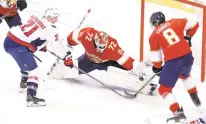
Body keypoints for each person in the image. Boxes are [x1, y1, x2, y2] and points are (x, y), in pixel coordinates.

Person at [49, 26, 158, 95]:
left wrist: (138, 71)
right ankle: (56, 71)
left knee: (119, 74)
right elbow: (67, 42)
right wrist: (66, 56)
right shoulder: (86, 34)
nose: (101, 49)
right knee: (68, 71)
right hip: (88, 60)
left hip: (106, 62)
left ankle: (146, 85)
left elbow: (127, 62)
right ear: (94, 40)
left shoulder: (113, 47)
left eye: (103, 47)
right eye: (99, 46)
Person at [3, 8, 70, 107]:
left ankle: (24, 83)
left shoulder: (35, 15)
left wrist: (39, 45)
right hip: (18, 46)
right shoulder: (51, 29)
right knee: (34, 71)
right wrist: (66, 57)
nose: (54, 20)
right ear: (47, 17)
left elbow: (32, 33)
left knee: (25, 60)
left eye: (55, 18)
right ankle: (31, 97)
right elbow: (57, 46)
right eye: (52, 18)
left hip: (8, 40)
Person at [149, 11, 201, 123]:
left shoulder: (153, 35)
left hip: (173, 62)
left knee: (164, 89)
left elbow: (156, 58)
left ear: (154, 23)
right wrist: (188, 37)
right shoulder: (176, 22)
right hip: (188, 57)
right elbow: (195, 23)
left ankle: (178, 112)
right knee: (185, 76)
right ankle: (193, 93)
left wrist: (157, 67)